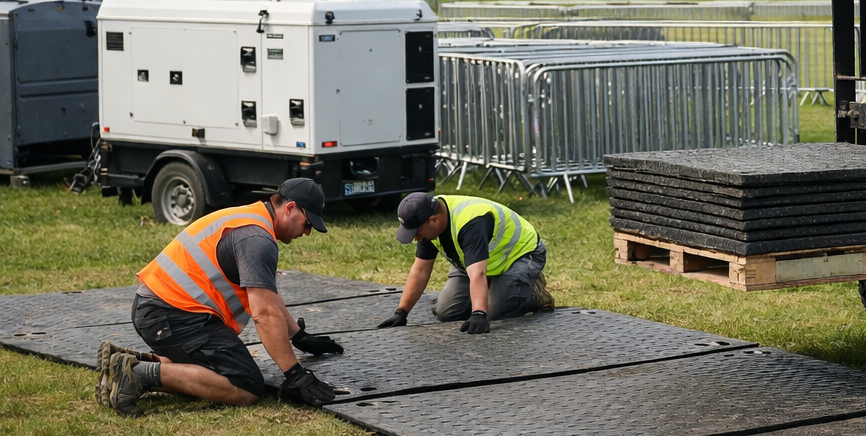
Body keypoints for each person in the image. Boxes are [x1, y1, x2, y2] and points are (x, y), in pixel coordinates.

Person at [98, 178, 344, 416]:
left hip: (163, 310)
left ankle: (130, 362)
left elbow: (267, 296)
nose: (307, 232)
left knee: (221, 370)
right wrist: (295, 374)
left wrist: (299, 337)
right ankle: (135, 374)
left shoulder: (251, 218)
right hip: (171, 315)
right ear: (290, 208)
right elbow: (264, 314)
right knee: (245, 385)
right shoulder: (257, 240)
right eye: (308, 223)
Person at [377, 193, 553, 333]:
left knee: (494, 313)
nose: (415, 238)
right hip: (474, 262)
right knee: (446, 313)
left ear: (434, 220)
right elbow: (420, 270)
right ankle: (493, 289)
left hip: (519, 256)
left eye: (416, 232)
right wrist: (402, 312)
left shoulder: (471, 222)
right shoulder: (427, 221)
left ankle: (531, 293)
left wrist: (479, 313)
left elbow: (478, 274)